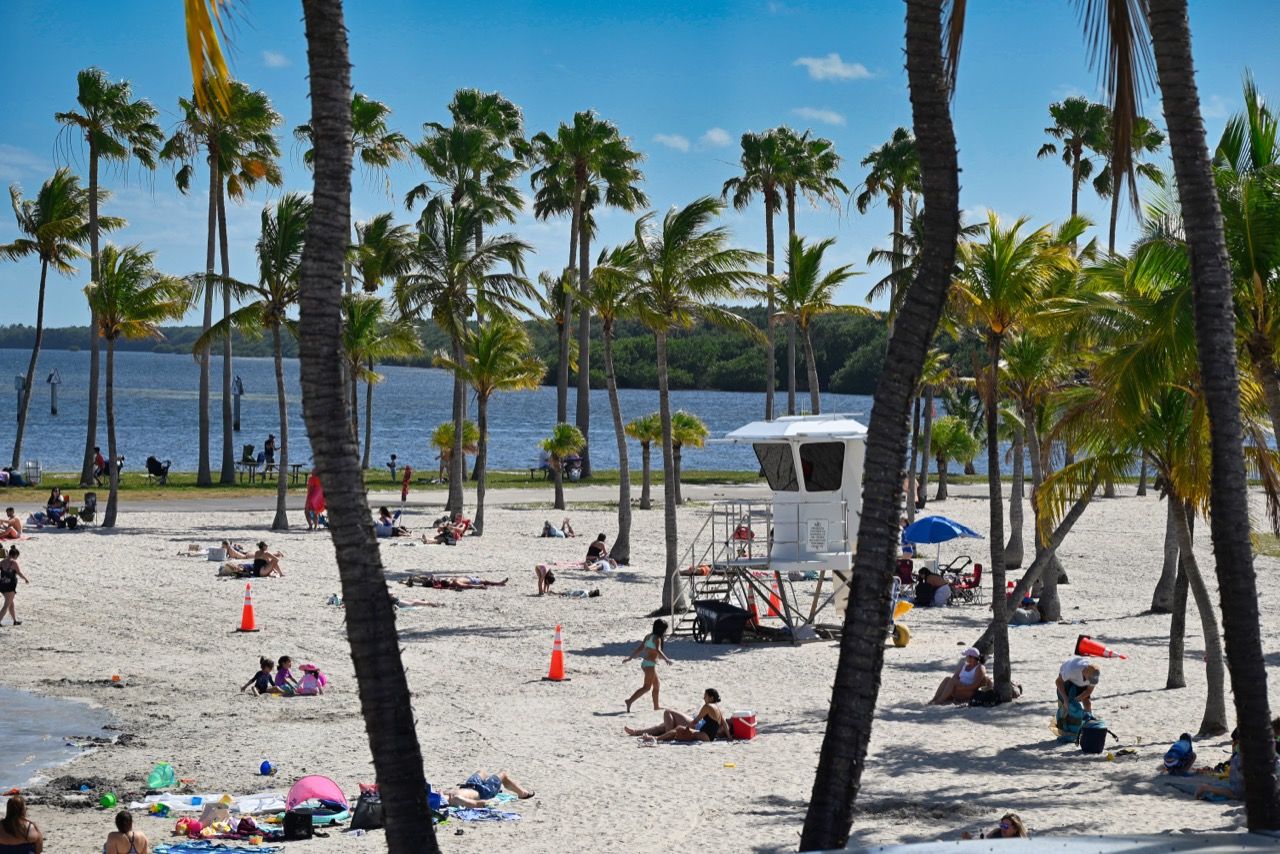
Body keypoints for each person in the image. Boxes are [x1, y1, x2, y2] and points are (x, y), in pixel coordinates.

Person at [626, 688, 728, 744]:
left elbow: (695, 721)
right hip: (709, 737)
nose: (703, 698)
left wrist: (686, 728)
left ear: (711, 697)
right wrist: (729, 737)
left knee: (678, 728)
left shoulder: (707, 706)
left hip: (704, 735)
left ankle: (656, 738)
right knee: (676, 728)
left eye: (705, 696)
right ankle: (654, 737)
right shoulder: (718, 709)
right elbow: (725, 724)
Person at [624, 619, 673, 712]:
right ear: (661, 629)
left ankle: (656, 706)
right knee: (646, 687)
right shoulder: (657, 638)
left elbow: (640, 648)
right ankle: (629, 701)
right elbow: (658, 650)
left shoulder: (648, 636)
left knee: (657, 685)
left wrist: (630, 658)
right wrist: (667, 659)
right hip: (650, 665)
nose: (665, 632)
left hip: (645, 663)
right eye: (665, 630)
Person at [442, 771, 534, 807]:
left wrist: (442, 792)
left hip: (470, 785)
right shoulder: (455, 799)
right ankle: (522, 794)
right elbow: (478, 804)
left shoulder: (438, 796)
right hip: (484, 792)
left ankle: (495, 786)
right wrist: (491, 801)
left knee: (482, 772)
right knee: (503, 774)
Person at [1056, 655, 1100, 731]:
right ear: (1085, 672)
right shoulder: (1072, 670)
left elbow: (1089, 691)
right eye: (1090, 679)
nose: (1091, 682)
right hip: (1067, 680)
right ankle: (1064, 728)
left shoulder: (1094, 675)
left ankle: (1088, 723)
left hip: (1080, 682)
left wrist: (1077, 699)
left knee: (1087, 703)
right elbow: (1058, 682)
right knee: (1067, 705)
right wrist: (1066, 699)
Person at [0, 547, 29, 627]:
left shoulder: (2, 562)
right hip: (10, 586)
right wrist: (25, 579)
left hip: (2, 585)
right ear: (15, 555)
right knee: (6, 605)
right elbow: (19, 573)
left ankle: (14, 621)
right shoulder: (13, 563)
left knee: (10, 603)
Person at [961, 813, 1029, 840]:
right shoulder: (996, 832)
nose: (1002, 828)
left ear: (1015, 829)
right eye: (1001, 825)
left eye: (1005, 826)